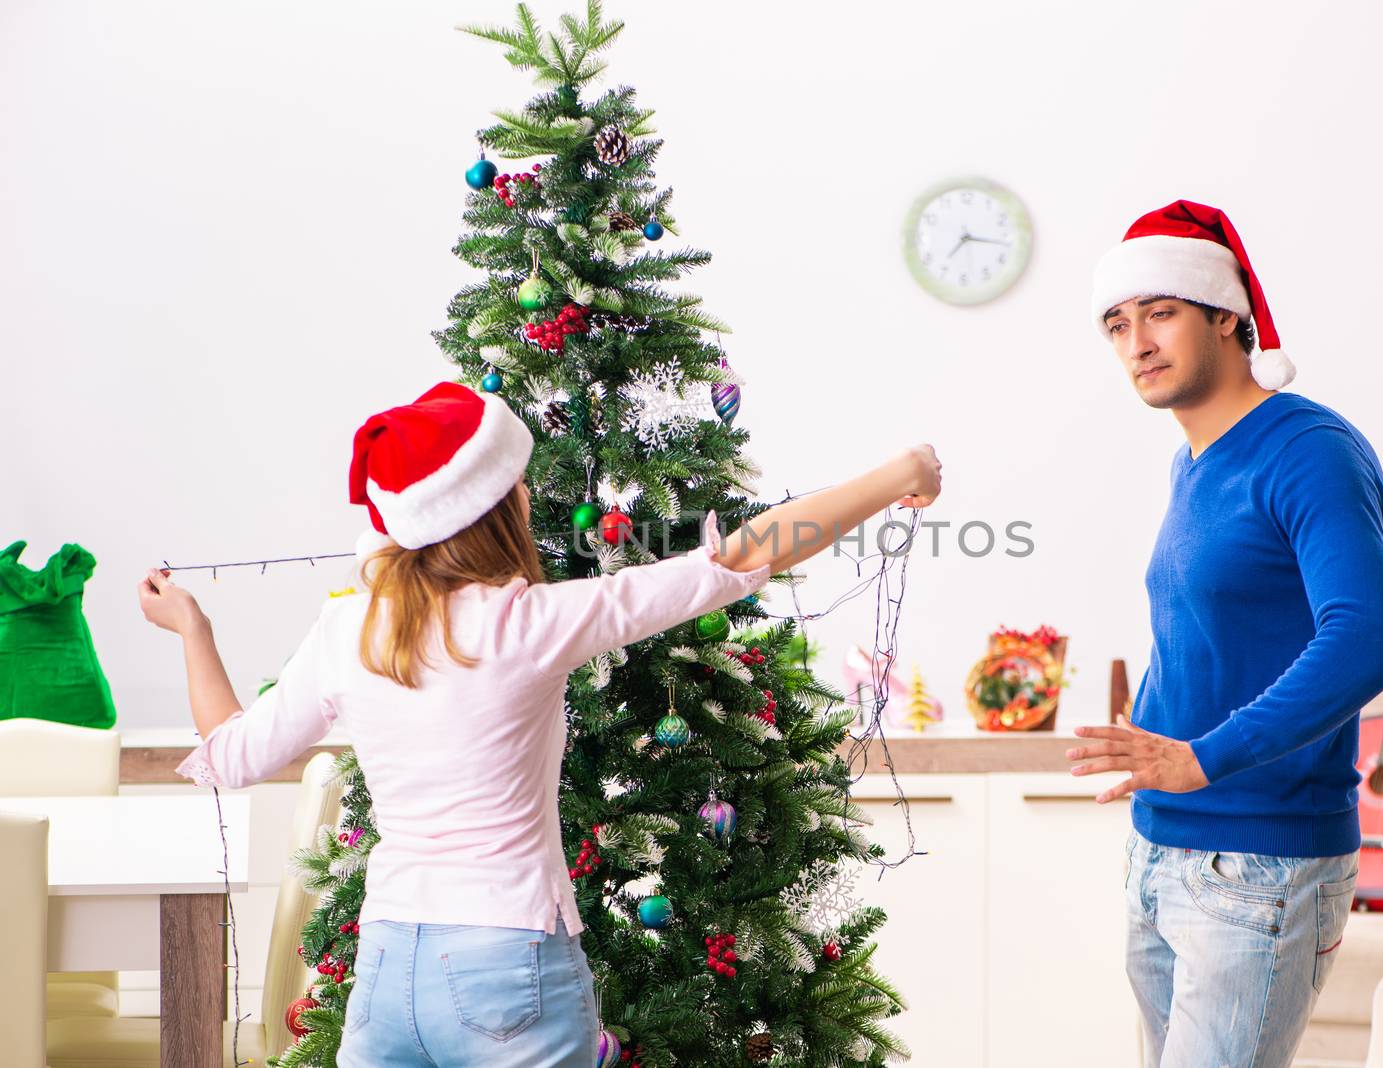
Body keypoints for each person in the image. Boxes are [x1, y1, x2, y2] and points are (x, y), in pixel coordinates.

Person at [136, 380, 942, 1067]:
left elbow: (231, 754)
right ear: (493, 508)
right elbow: (735, 561)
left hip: (385, 969)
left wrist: (192, 631)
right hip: (507, 959)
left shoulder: (351, 628)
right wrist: (897, 473)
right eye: (517, 482)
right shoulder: (531, 623)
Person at [1064, 201, 1383, 1067]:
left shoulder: (1310, 450)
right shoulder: (1193, 461)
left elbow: (1365, 638)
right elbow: (1204, 636)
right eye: (1116, 323)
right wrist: (1153, 766)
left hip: (1259, 863)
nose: (1136, 341)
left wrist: (1203, 756)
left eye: (1162, 312)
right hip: (1163, 845)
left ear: (1228, 316)